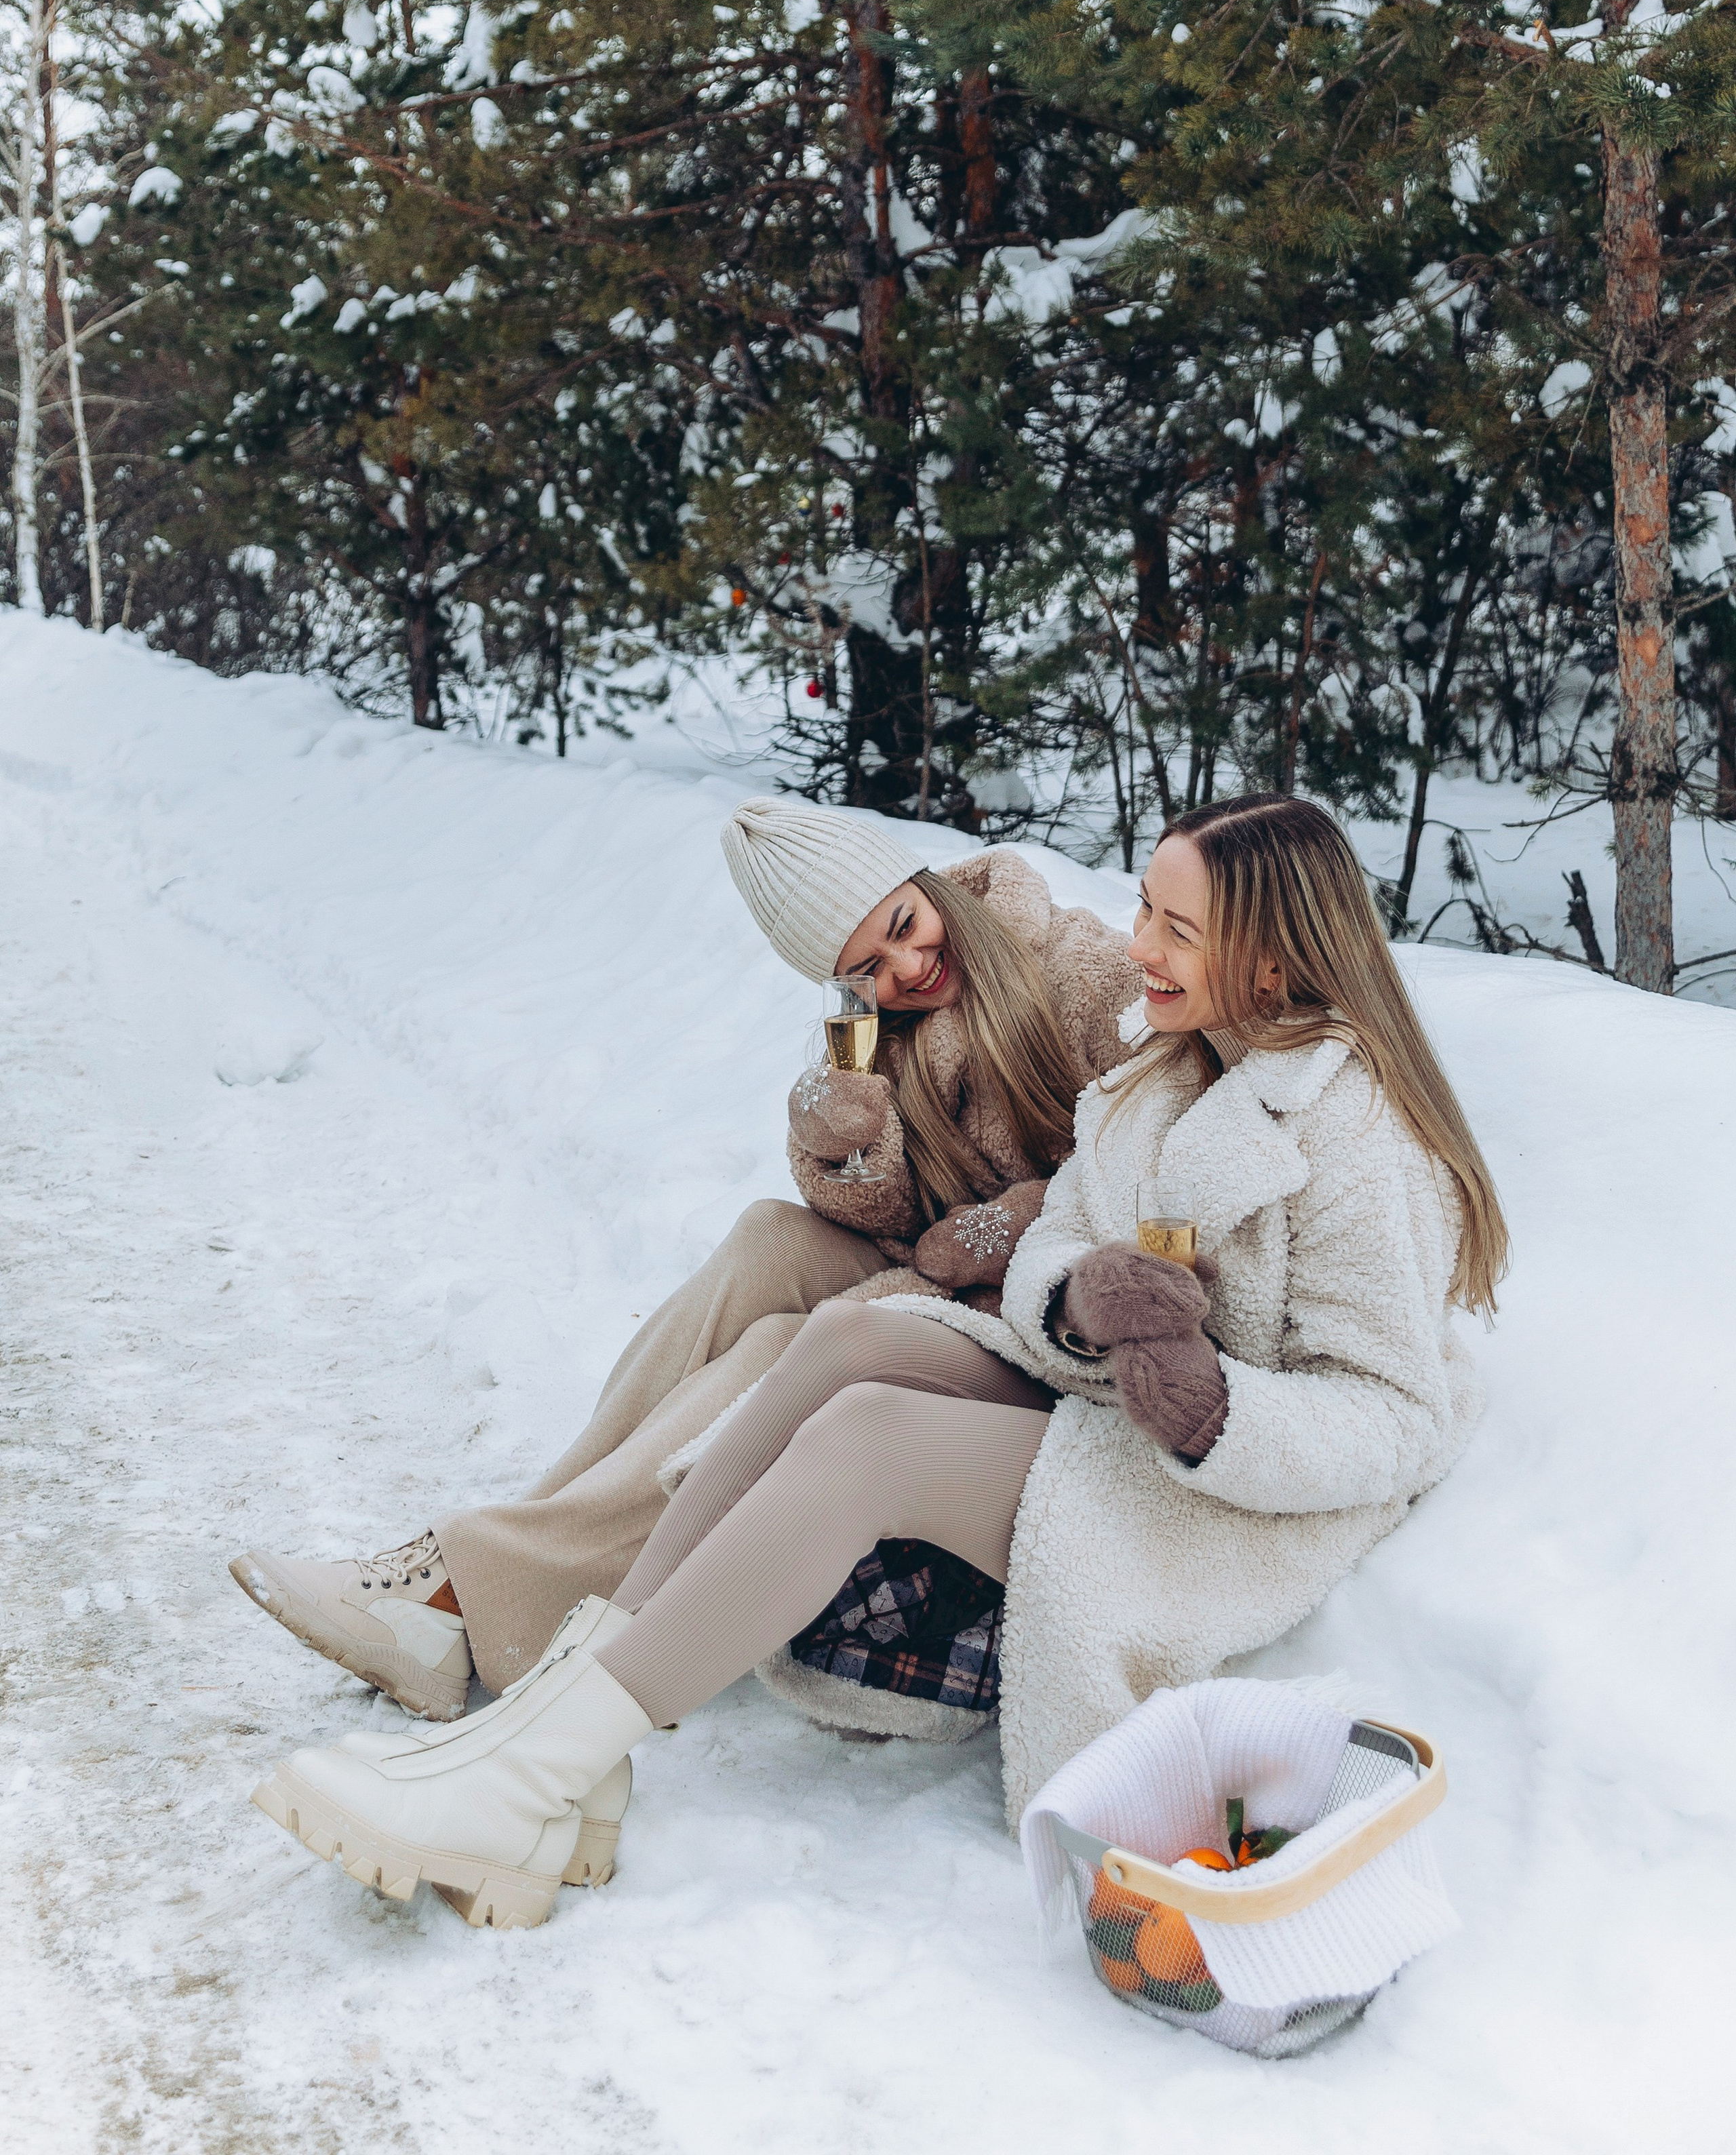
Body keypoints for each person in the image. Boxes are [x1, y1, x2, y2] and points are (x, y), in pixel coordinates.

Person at [250, 792, 1505, 1930]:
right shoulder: (1169, 1078)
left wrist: (1206, 1405)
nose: (1139, 949)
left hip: (1218, 1477)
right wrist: (1068, 1291)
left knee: (868, 1434)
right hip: (1104, 1392)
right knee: (845, 1338)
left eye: (1173, 928)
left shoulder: (1353, 1131)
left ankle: (535, 1764)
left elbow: (1391, 1412)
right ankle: (549, 1736)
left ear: (1271, 956)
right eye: (1142, 910)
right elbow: (1069, 1229)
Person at [229, 796, 1139, 1732]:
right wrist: (848, 1143)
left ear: (923, 882)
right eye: (867, 967)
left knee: (775, 1352)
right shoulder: (882, 1031)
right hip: (954, 1292)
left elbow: (1161, 1163)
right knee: (765, 1238)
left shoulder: (1074, 968)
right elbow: (902, 1219)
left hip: (1049, 1328)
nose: (907, 967)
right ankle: (487, 1562)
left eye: (906, 927)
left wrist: (1018, 1221)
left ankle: (467, 1599)